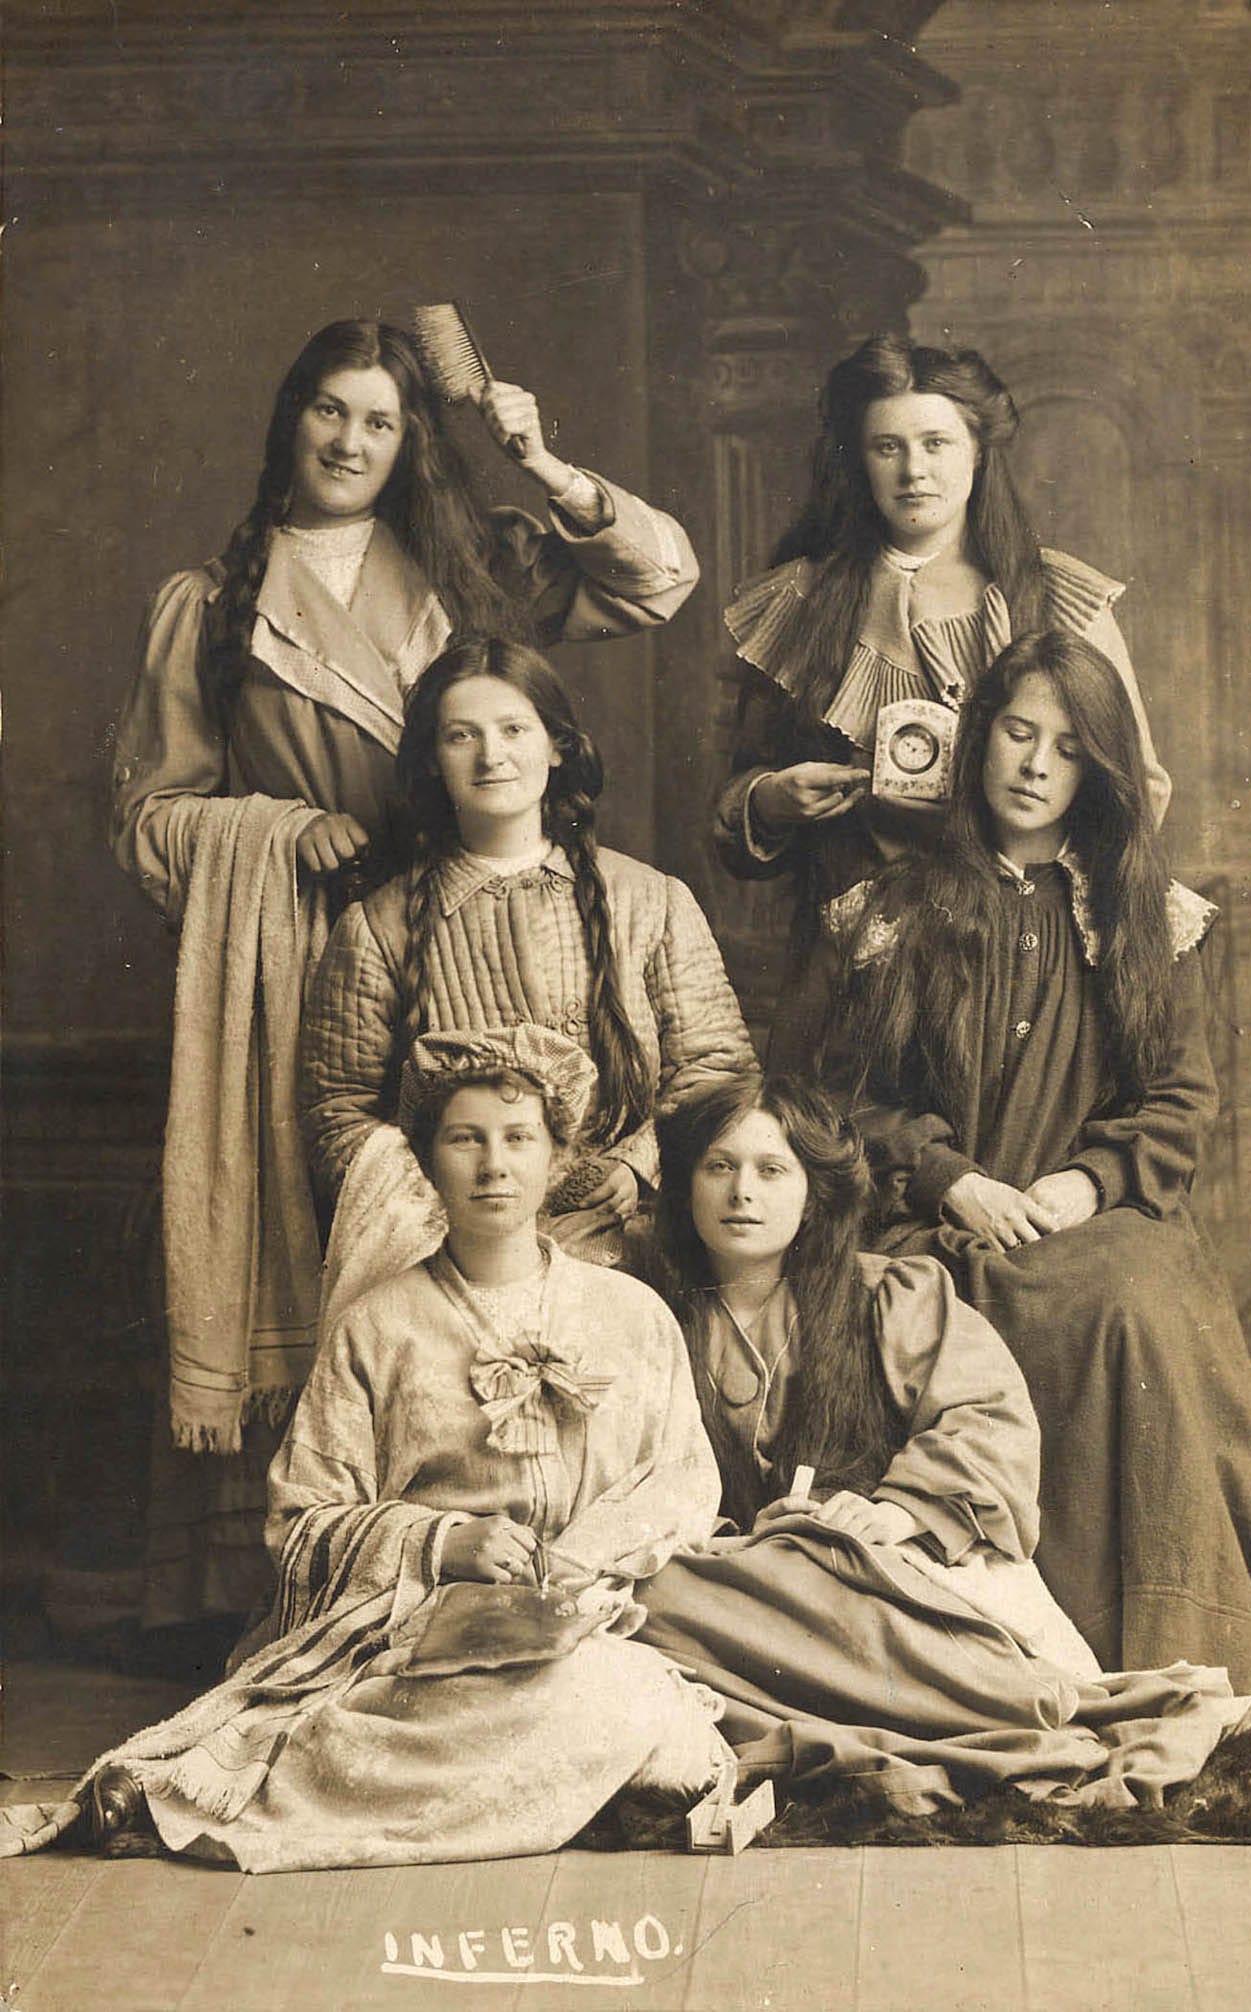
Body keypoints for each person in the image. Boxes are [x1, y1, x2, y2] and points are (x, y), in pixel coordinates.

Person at [109, 317, 700, 1629]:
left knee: (487, 1232)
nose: (351, 441)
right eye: (329, 410)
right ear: (289, 418)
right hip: (286, 962)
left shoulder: (460, 578)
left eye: (380, 421)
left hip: (465, 951)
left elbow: (660, 579)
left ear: (407, 439)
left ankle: (517, 1564)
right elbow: (151, 826)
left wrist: (542, 461)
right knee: (308, 1240)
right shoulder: (212, 608)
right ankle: (290, 1590)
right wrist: (272, 831)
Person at [0, 1030, 728, 1869]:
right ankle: (224, 1796)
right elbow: (303, 1521)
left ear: (560, 1157)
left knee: (618, 1690)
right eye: (466, 1138)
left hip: (588, 1614)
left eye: (518, 1138)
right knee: (449, 1718)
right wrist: (443, 1543)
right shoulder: (379, 1325)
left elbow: (679, 1475)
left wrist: (580, 1562)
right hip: (412, 1629)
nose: (494, 1165)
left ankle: (434, 1790)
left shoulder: (629, 1313)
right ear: (426, 1160)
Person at [819, 629, 1251, 1690]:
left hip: (1087, 1215)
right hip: (931, 1213)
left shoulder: (1138, 914)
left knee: (1129, 1300)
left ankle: (1171, 1649)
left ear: (1098, 766)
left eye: (1065, 747)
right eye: (1016, 734)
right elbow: (845, 1099)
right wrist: (955, 1180)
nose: (1033, 765)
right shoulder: (897, 910)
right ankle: (1018, 1663)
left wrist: (1081, 1184)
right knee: (953, 1304)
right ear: (977, 744)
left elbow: (1176, 1099)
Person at [636, 1073, 1251, 1820]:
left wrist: (901, 1512)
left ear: (815, 1194)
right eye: (720, 1167)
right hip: (745, 1595)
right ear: (686, 1189)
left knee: (836, 1601)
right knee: (657, 1600)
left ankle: (1009, 1709)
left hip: (901, 1572)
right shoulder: (645, 1319)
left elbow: (986, 1418)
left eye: (772, 1170)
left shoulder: (889, 1296)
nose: (744, 1192)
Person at [712, 333, 1170, 1068]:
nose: (914, 470)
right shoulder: (802, 605)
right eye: (887, 447)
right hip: (853, 976)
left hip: (1023, 970)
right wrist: (771, 800)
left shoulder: (1056, 600)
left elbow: (1134, 790)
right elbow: (735, 806)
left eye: (936, 442)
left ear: (979, 450)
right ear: (859, 461)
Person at [301, 635, 758, 1258]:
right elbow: (339, 1117)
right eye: (461, 736)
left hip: (633, 1242)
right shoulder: (376, 928)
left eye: (514, 729)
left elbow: (719, 1076)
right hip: (449, 1249)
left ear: (557, 745)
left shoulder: (652, 900)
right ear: (432, 758)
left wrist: (637, 1168)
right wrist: (452, 1212)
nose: (492, 756)